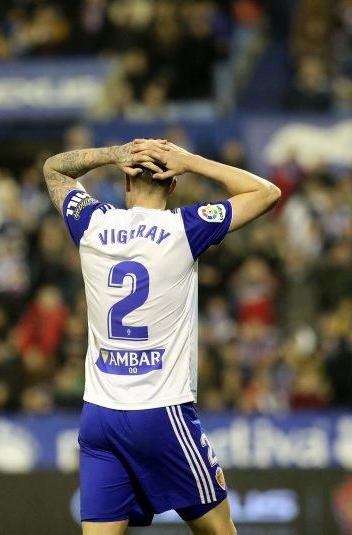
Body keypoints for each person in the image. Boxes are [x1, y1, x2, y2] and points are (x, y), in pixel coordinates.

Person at [43, 139, 280, 534]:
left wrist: (113, 154)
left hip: (100, 414)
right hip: (161, 411)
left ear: (126, 184)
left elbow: (54, 167)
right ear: (173, 185)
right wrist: (192, 161)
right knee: (220, 531)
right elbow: (267, 193)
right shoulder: (184, 228)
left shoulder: (92, 223)